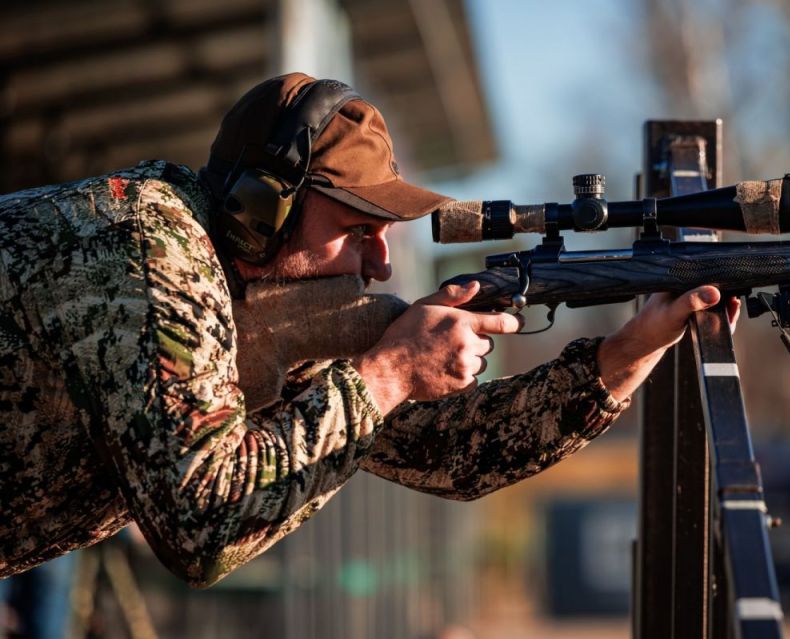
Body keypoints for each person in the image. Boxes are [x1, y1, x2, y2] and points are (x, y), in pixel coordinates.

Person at [0, 73, 738, 589]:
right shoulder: (146, 250)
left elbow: (456, 451)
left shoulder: (255, 295)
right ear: (260, 211)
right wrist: (388, 373)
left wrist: (630, 349)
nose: (381, 265)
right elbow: (204, 523)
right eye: (357, 230)